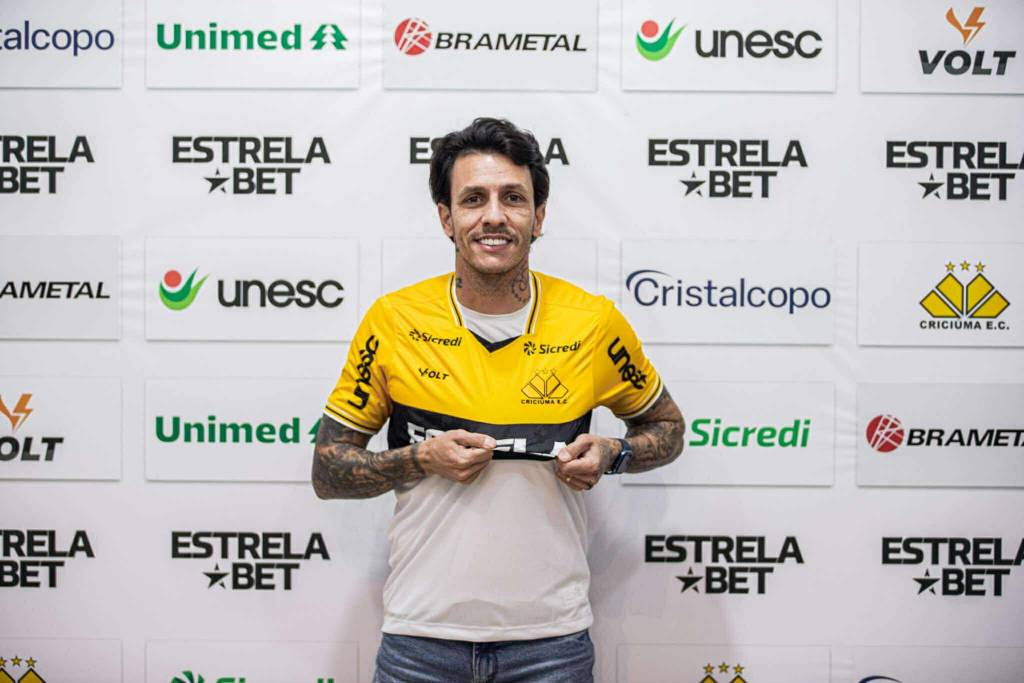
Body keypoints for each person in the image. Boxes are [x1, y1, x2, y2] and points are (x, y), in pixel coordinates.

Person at [312, 117, 685, 683]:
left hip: (551, 645)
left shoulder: (593, 323)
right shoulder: (392, 322)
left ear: (539, 216)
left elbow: (668, 428)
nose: (493, 216)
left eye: (513, 198)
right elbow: (328, 470)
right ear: (446, 218)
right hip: (420, 642)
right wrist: (419, 458)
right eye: (473, 199)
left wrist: (615, 453)